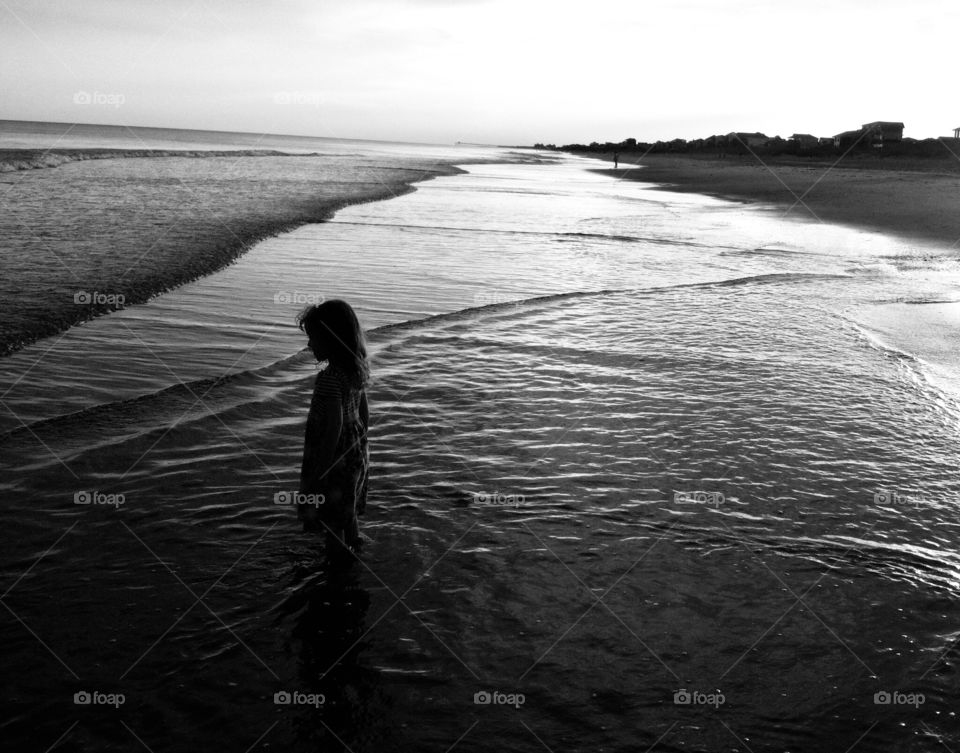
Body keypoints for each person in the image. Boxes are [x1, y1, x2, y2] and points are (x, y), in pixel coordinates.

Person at [296, 300, 370, 558]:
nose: (309, 345)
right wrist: (362, 441)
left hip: (334, 459)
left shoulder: (328, 379)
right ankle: (356, 545)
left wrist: (320, 472)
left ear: (331, 339)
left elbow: (333, 427)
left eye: (314, 338)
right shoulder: (355, 370)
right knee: (345, 510)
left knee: (330, 518)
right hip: (356, 451)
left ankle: (337, 569)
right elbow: (364, 412)